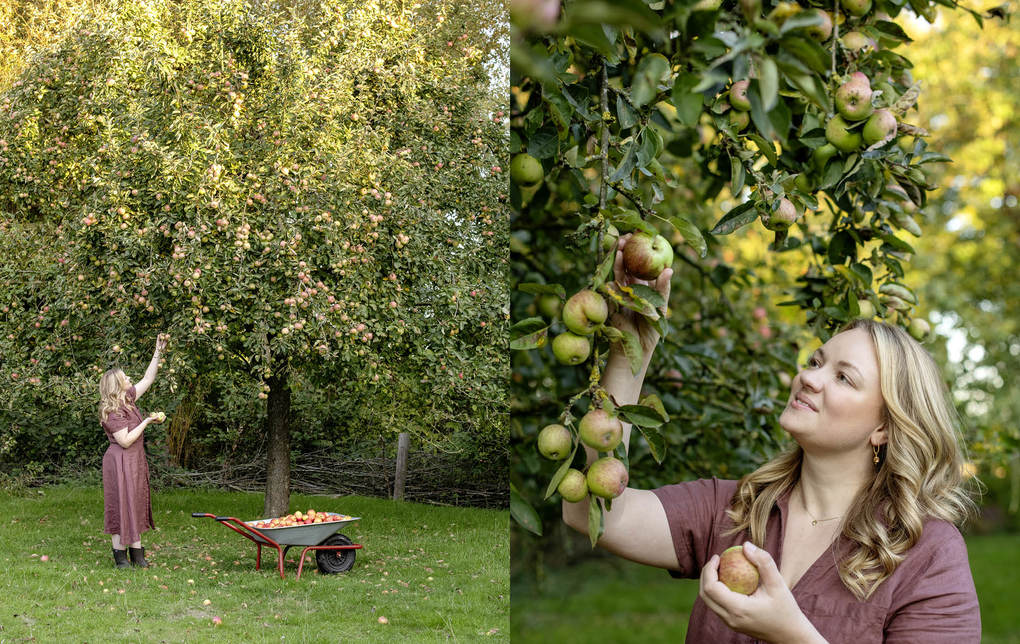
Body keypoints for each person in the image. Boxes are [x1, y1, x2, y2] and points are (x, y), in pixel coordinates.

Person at [562, 235, 980, 643]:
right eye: (816, 361)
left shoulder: (927, 556)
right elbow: (592, 514)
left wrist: (790, 635)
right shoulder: (737, 510)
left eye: (843, 377)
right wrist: (630, 352)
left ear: (884, 427)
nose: (808, 377)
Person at [98, 333, 169, 569]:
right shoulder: (112, 411)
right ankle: (120, 556)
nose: (130, 378)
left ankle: (137, 553)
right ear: (117, 385)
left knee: (135, 501)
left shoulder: (128, 398)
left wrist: (158, 350)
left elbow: (149, 378)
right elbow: (125, 440)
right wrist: (147, 422)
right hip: (119, 460)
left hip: (134, 460)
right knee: (120, 504)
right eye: (125, 377)